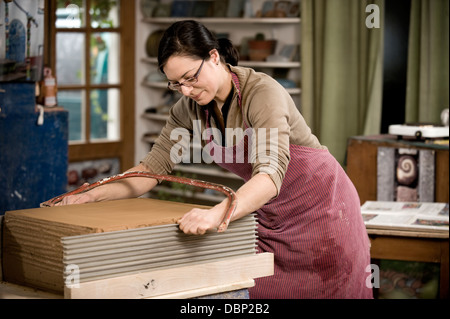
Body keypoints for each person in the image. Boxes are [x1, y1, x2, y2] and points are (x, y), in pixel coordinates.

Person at [56, 20, 373, 299]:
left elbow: (269, 175)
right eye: (176, 83)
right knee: (250, 289)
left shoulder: (261, 93)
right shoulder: (189, 110)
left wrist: (216, 214)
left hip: (324, 213)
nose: (186, 90)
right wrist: (94, 194)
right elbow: (152, 170)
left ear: (214, 56)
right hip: (270, 215)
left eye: (190, 77)